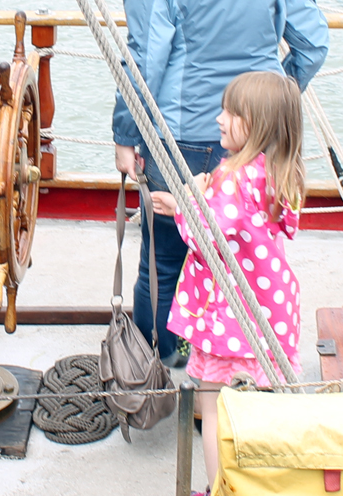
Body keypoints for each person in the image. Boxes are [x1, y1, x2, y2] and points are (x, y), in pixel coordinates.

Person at [112, 0, 329, 368]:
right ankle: (235, 366)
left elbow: (147, 57)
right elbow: (312, 45)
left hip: (181, 135)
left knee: (163, 262)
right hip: (261, 139)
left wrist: (124, 133)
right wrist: (268, 107)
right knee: (250, 258)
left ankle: (161, 364)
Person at [151, 71, 305, 495]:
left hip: (232, 318)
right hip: (269, 309)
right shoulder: (275, 171)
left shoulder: (230, 177)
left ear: (255, 124)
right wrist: (188, 201)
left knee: (215, 407)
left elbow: (205, 237)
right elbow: (253, 228)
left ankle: (219, 487)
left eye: (231, 113)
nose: (218, 119)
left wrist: (189, 196)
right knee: (256, 406)